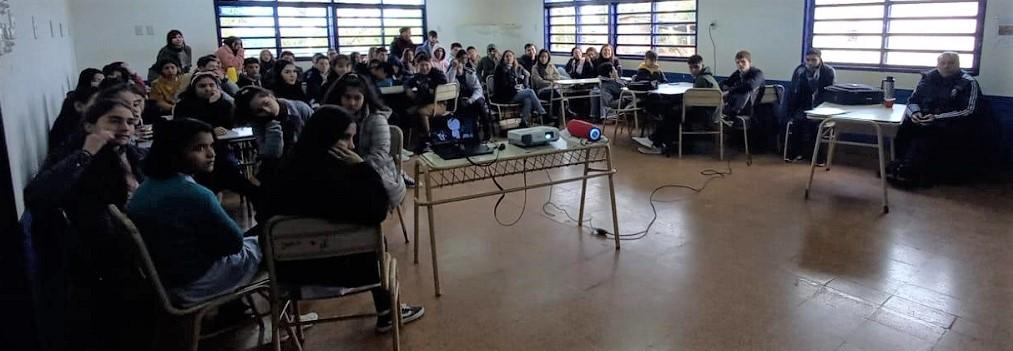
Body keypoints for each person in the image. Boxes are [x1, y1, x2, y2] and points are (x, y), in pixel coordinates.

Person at [260, 106, 424, 333]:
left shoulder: (284, 170)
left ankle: (286, 322)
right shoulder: (340, 177)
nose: (352, 146)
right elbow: (378, 210)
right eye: (346, 138)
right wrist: (362, 167)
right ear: (327, 136)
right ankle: (387, 312)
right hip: (350, 271)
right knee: (373, 240)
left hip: (291, 276)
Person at [25, 99, 147, 350]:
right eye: (115, 120)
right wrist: (87, 152)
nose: (125, 127)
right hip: (99, 265)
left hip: (130, 251)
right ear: (90, 125)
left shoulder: (127, 153)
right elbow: (36, 195)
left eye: (130, 122)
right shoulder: (80, 155)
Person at [127, 118, 262, 307]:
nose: (211, 153)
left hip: (167, 280)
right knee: (272, 242)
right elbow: (234, 244)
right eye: (199, 148)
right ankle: (286, 315)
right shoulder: (195, 194)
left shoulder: (145, 188)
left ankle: (234, 310)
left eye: (211, 146)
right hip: (197, 282)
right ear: (174, 153)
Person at [887, 52, 996, 187]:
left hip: (954, 123)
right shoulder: (927, 78)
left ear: (958, 65)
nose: (946, 66)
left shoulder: (968, 82)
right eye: (943, 63)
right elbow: (912, 100)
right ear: (937, 64)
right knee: (903, 129)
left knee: (929, 136)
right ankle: (901, 165)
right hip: (924, 118)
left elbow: (969, 110)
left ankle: (912, 171)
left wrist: (936, 118)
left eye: (951, 63)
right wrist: (915, 114)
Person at [321, 74, 406, 208]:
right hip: (337, 170)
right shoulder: (330, 116)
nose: (352, 103)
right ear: (339, 97)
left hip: (374, 171)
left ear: (365, 98)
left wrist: (358, 164)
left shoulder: (377, 119)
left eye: (357, 98)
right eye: (347, 97)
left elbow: (379, 156)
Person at [636, 54, 720, 154]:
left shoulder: (701, 80)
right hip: (714, 114)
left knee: (670, 114)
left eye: (696, 67)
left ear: (702, 65)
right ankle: (656, 140)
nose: (693, 70)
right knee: (673, 111)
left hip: (704, 115)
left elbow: (691, 103)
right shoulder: (709, 77)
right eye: (691, 67)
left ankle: (657, 144)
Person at [234, 86, 313, 180]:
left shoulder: (300, 108)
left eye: (266, 103)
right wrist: (272, 126)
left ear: (271, 96)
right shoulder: (258, 124)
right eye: (260, 111)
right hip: (280, 172)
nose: (267, 110)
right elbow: (272, 154)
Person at [785, 48, 836, 160]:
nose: (810, 63)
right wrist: (792, 110)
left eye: (813, 60)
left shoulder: (828, 71)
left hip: (821, 106)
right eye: (808, 60)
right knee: (797, 121)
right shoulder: (800, 70)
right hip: (803, 105)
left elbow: (829, 93)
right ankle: (795, 152)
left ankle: (817, 156)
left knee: (816, 124)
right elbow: (794, 91)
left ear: (820, 59)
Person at [404, 54, 449, 148]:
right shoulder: (418, 76)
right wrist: (408, 89)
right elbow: (408, 83)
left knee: (422, 112)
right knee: (407, 113)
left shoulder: (438, 74)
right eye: (421, 65)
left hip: (440, 104)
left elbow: (444, 86)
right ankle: (411, 142)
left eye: (426, 65)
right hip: (424, 103)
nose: (424, 68)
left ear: (430, 64)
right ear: (417, 66)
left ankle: (428, 138)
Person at [448, 50, 493, 140]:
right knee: (464, 107)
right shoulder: (451, 73)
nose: (459, 66)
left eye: (461, 64)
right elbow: (450, 82)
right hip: (458, 99)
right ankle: (472, 133)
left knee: (480, 104)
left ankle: (486, 131)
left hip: (473, 97)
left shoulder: (470, 73)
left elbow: (478, 89)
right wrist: (453, 68)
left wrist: (471, 99)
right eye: (458, 64)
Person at [493, 50, 545, 127]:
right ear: (503, 58)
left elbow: (519, 81)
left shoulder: (515, 68)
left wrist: (521, 85)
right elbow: (503, 85)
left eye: (510, 56)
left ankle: (523, 122)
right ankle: (542, 112)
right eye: (506, 56)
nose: (509, 58)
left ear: (514, 58)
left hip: (514, 92)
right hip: (504, 95)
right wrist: (515, 87)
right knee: (530, 92)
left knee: (528, 99)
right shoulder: (500, 69)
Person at [720, 50, 765, 118]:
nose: (740, 64)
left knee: (745, 91)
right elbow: (727, 82)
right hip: (744, 106)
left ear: (750, 63)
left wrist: (730, 91)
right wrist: (723, 87)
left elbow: (750, 86)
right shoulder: (738, 73)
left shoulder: (758, 73)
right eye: (738, 62)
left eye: (743, 62)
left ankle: (731, 114)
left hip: (755, 107)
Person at [531, 48, 569, 121]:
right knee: (557, 95)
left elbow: (557, 76)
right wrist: (551, 82)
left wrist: (547, 77)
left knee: (558, 94)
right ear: (539, 57)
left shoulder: (551, 66)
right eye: (542, 57)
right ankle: (556, 116)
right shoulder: (535, 67)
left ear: (548, 58)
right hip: (541, 91)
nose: (543, 58)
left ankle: (556, 117)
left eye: (545, 57)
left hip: (552, 88)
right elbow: (539, 81)